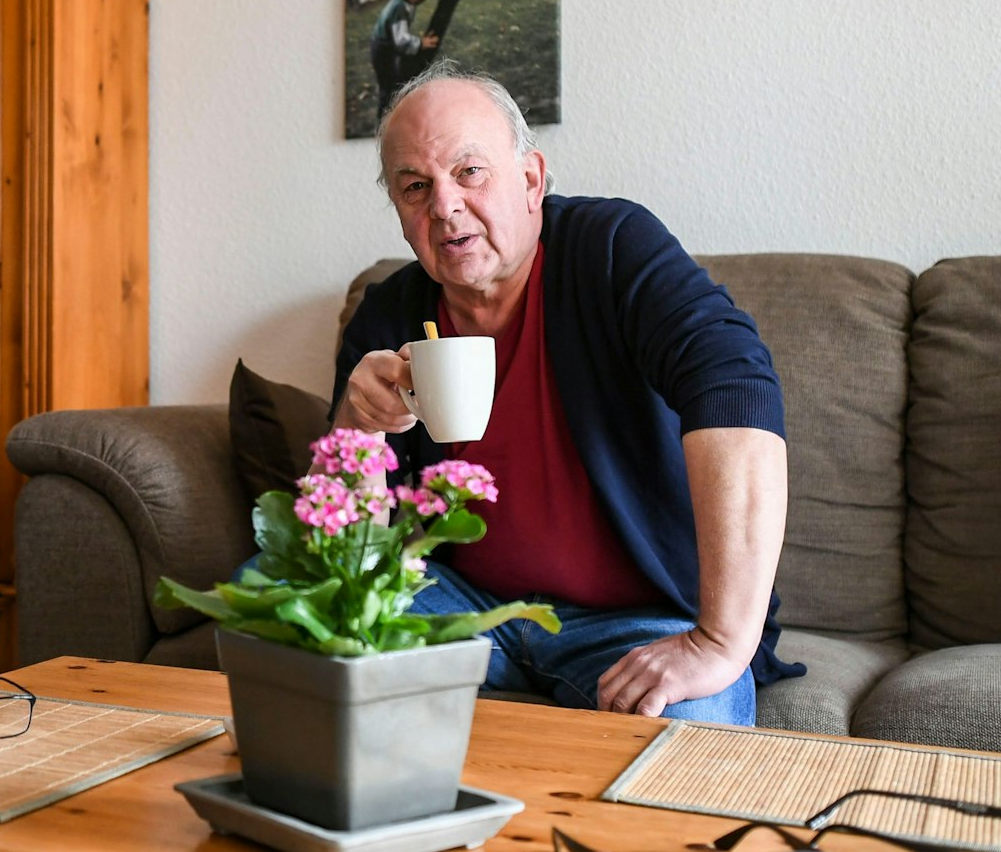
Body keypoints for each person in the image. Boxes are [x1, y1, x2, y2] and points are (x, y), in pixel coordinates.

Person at [332, 62, 802, 724]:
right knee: (273, 615)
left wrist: (721, 641)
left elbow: (734, 383)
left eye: (470, 172)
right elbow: (348, 555)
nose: (444, 205)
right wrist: (358, 424)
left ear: (530, 180)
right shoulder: (388, 314)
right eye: (416, 186)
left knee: (692, 732)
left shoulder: (612, 250)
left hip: (636, 621)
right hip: (459, 606)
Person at [370, 0, 443, 122]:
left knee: (394, 83)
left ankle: (391, 117)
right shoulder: (399, 9)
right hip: (382, 50)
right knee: (387, 87)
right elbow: (401, 40)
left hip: (387, 48)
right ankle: (382, 124)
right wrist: (421, 43)